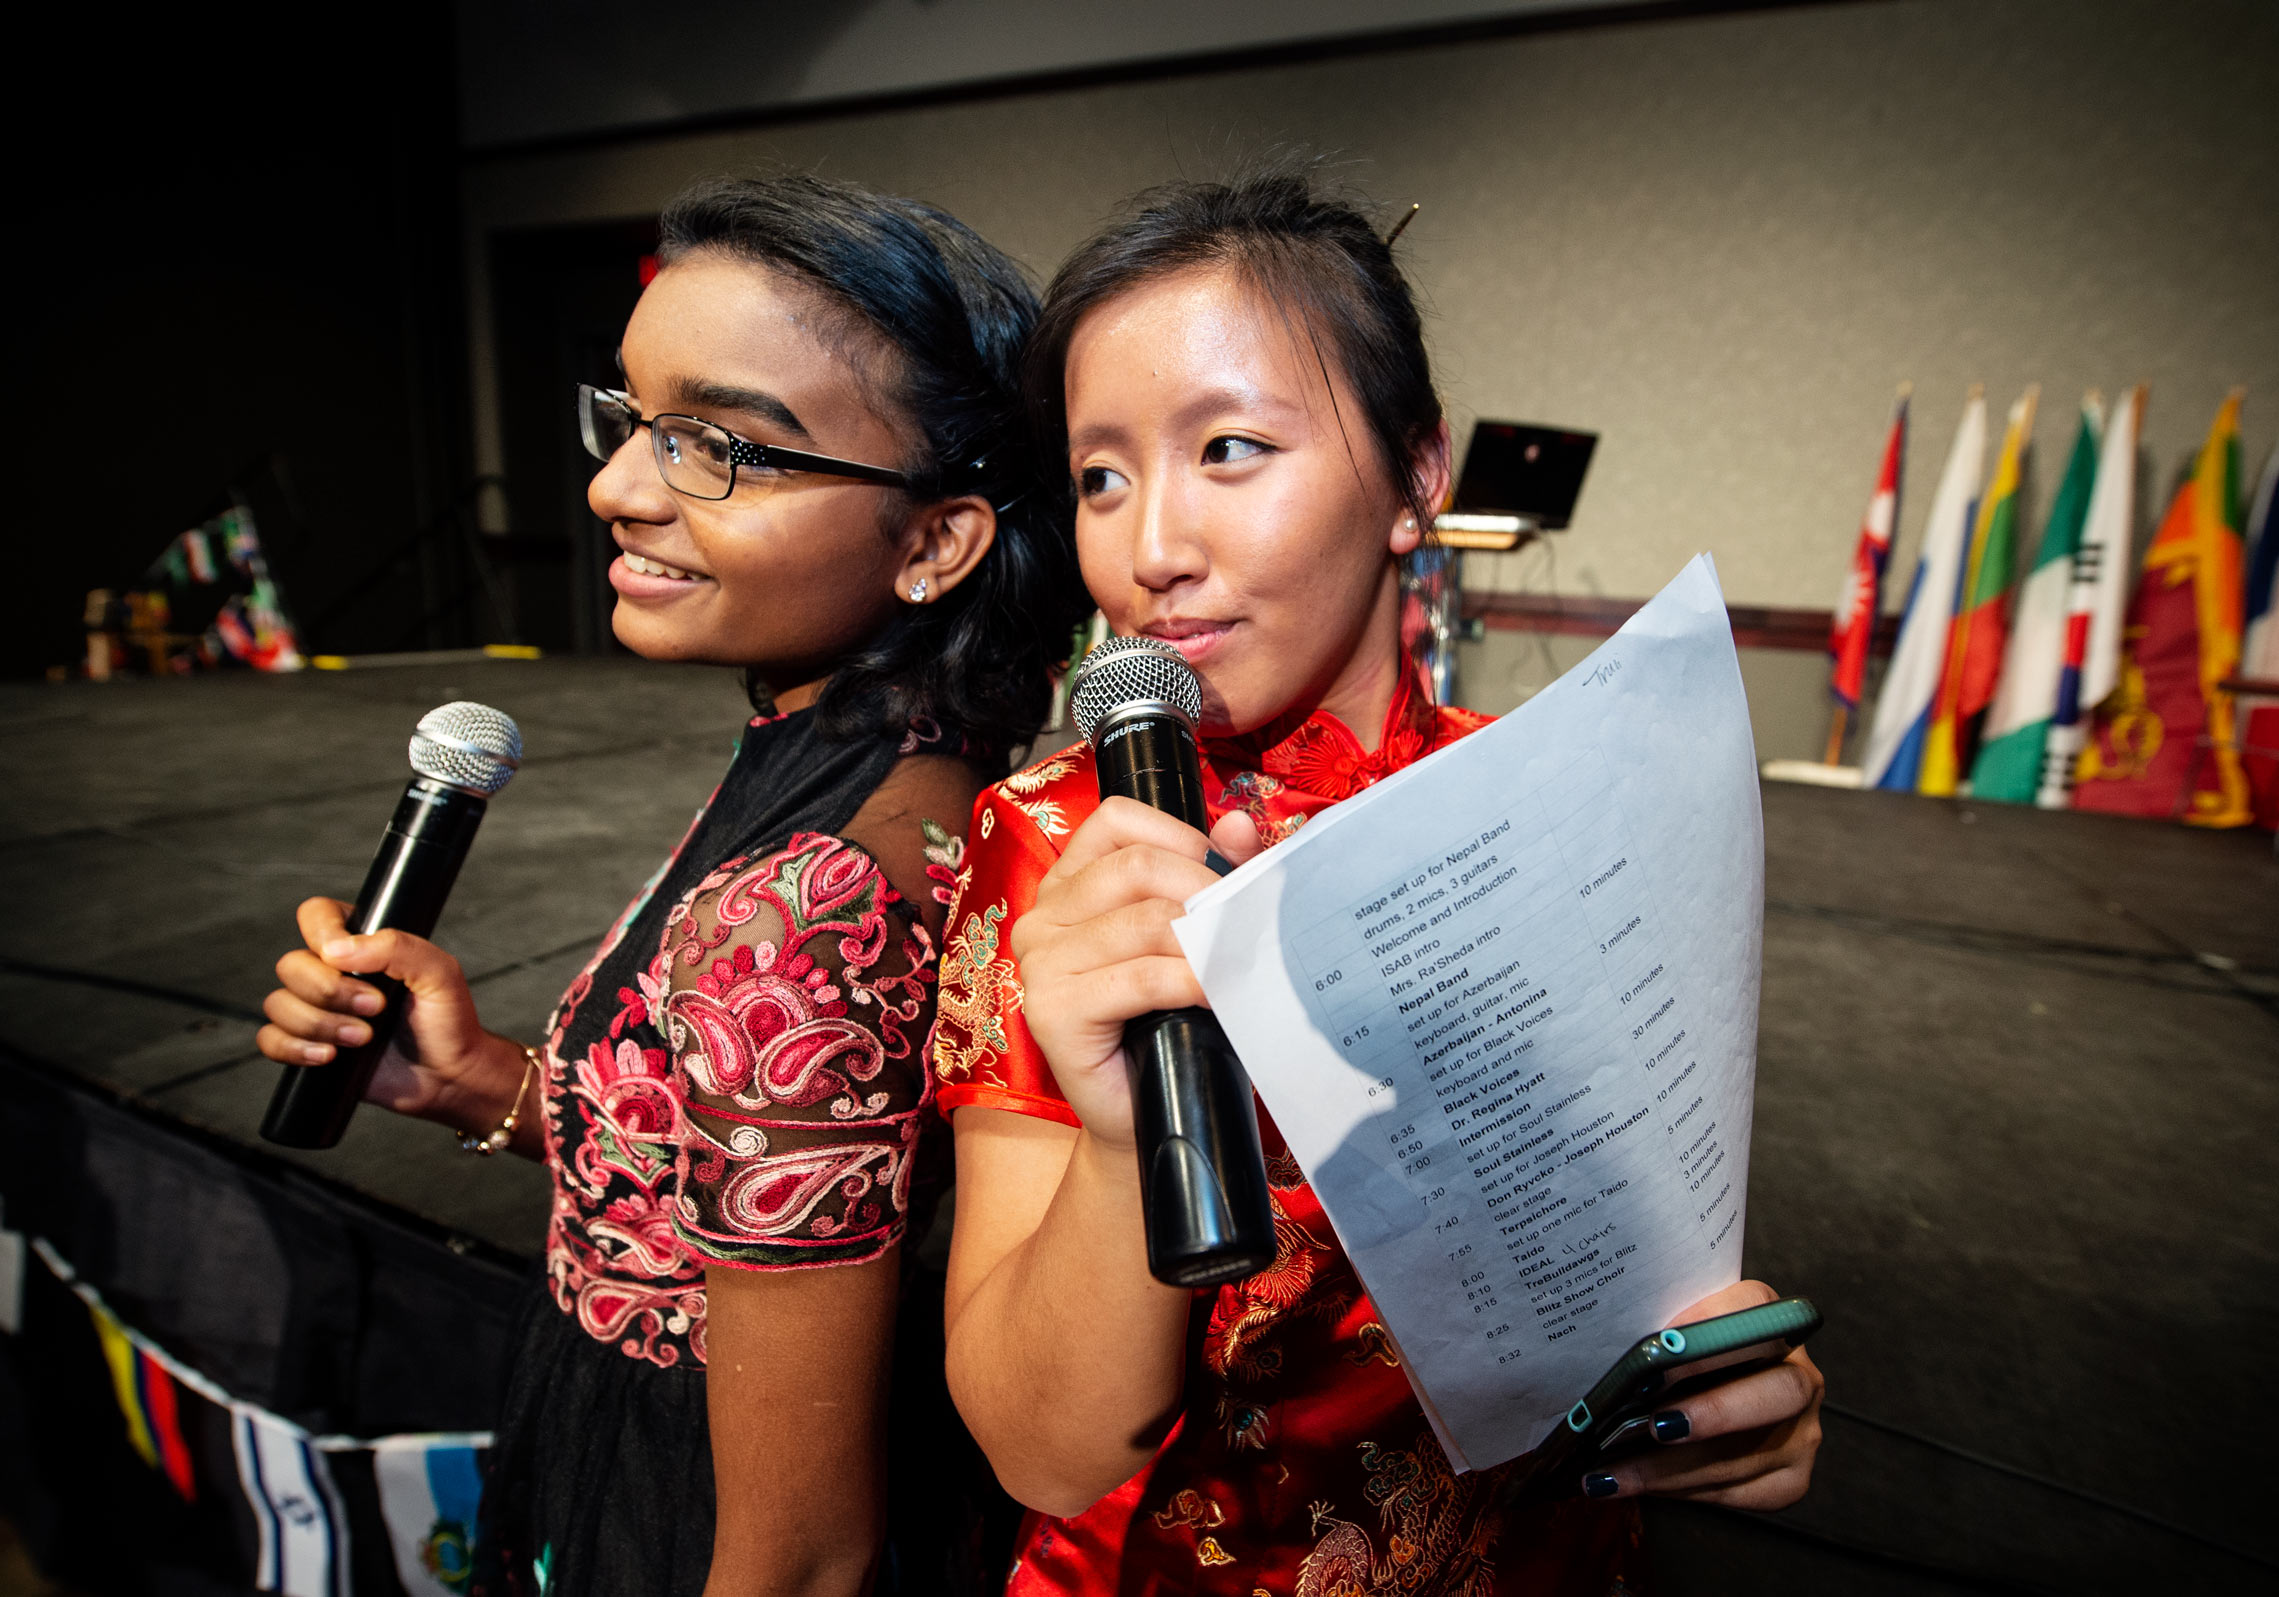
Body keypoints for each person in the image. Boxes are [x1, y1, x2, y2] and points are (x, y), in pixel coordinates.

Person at [932, 166, 1824, 1594]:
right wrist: (1118, 1143)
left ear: (1418, 477)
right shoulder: (1057, 845)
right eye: (1101, 474)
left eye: (1228, 447)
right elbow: (1043, 1452)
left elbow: (1638, 1254)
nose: (1149, 548)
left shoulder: (1545, 797)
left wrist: (1732, 1390)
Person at [256, 173, 1086, 1597]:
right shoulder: (883, 761)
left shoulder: (810, 904)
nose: (615, 486)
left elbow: (806, 1556)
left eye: (719, 445)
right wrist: (480, 1083)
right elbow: (741, 1185)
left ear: (937, 539)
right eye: (632, 421)